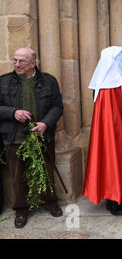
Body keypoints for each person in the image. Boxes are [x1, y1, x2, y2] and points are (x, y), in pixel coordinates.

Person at [0, 48, 64, 228]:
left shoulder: (49, 81)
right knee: (17, 176)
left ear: (33, 64)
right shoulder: (3, 81)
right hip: (14, 137)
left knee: (46, 171)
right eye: (15, 60)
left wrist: (45, 123)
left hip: (41, 135)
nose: (16, 64)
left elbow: (58, 107)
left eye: (21, 61)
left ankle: (50, 202)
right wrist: (13, 112)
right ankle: (21, 209)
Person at [83, 46, 122, 216]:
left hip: (121, 130)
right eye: (121, 60)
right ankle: (113, 200)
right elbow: (113, 112)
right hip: (113, 134)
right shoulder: (106, 88)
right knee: (112, 162)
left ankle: (121, 197)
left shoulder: (114, 82)